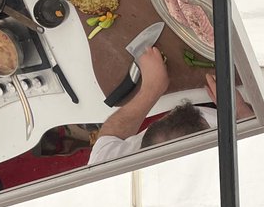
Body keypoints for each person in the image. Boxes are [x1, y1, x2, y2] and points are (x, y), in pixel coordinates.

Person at [87, 49, 252, 166]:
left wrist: (152, 89)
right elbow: (261, 142)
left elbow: (109, 136)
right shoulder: (237, 158)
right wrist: (238, 109)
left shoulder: (106, 170)